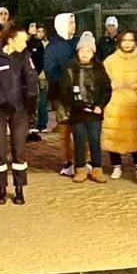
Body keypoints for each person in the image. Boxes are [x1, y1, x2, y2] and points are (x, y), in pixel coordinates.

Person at [0, 22, 39, 204]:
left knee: (19, 150)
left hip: (19, 110)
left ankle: (19, 189)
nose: (25, 44)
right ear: (11, 40)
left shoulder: (24, 56)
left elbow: (32, 79)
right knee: (0, 150)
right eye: (22, 40)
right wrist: (2, 102)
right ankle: (2, 189)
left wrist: (29, 103)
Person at [55, 32, 110, 185]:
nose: (85, 54)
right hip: (77, 112)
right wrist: (75, 104)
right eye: (82, 50)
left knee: (94, 140)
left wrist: (99, 105)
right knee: (79, 140)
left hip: (95, 112)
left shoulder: (99, 68)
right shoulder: (70, 68)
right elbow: (64, 90)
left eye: (88, 51)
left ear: (93, 52)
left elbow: (106, 89)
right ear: (77, 52)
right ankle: (80, 168)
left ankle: (97, 168)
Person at [101, 30, 137, 180]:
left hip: (134, 103)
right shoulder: (110, 61)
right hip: (114, 103)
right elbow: (102, 81)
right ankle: (116, 166)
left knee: (136, 136)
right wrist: (113, 85)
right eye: (124, 40)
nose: (127, 43)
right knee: (114, 135)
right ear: (119, 42)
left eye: (131, 40)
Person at [43, 12, 78, 176]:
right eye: (71, 23)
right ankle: (68, 161)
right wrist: (67, 85)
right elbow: (51, 72)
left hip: (80, 97)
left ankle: (85, 161)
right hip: (62, 96)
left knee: (81, 130)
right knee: (65, 131)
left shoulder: (78, 43)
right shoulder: (52, 47)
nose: (74, 25)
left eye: (74, 22)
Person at [26, 24, 48, 140]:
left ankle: (34, 127)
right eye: (32, 26)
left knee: (36, 101)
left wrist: (35, 73)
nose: (34, 29)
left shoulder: (39, 44)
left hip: (36, 76)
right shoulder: (24, 42)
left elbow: (41, 60)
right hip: (24, 77)